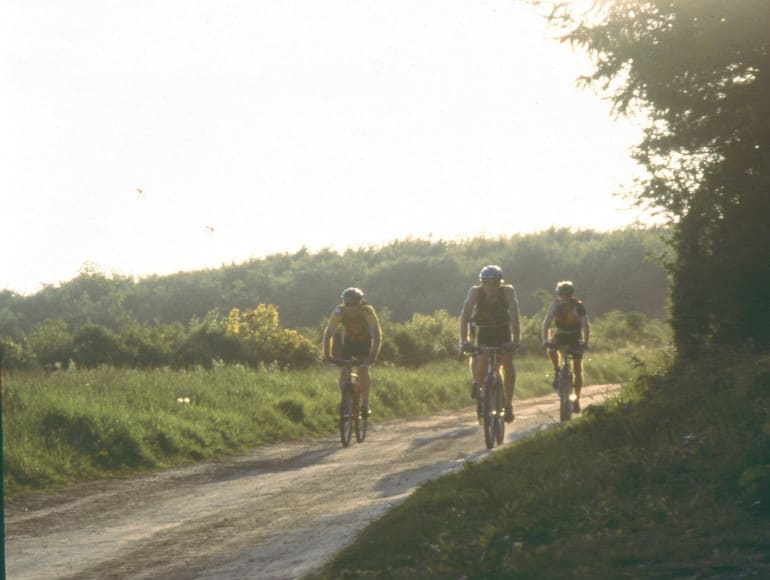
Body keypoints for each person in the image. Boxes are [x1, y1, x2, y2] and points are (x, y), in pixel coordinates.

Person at [459, 265, 521, 423]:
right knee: (481, 362)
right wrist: (463, 340)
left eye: (495, 283)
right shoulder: (475, 292)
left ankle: (508, 404)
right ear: (482, 283)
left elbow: (514, 314)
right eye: (487, 283)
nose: (491, 287)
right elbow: (465, 314)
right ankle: (482, 390)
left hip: (502, 330)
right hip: (484, 330)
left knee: (507, 362)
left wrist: (516, 339)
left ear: (500, 283)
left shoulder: (507, 291)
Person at [323, 287, 382, 418]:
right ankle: (345, 400)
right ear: (344, 303)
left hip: (365, 344)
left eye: (354, 304)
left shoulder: (367, 311)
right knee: (344, 370)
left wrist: (372, 356)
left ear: (360, 302)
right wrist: (327, 355)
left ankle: (365, 404)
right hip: (349, 344)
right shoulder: (339, 311)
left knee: (363, 370)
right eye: (347, 304)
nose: (351, 307)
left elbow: (376, 335)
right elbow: (329, 333)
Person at [541, 280, 591, 413]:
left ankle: (577, 399)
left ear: (571, 295)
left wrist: (585, 342)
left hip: (575, 335)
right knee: (551, 348)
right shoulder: (555, 306)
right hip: (561, 333)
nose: (564, 298)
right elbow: (547, 323)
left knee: (577, 369)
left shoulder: (578, 306)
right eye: (562, 295)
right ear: (558, 295)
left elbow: (585, 325)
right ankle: (557, 370)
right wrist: (545, 339)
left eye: (567, 295)